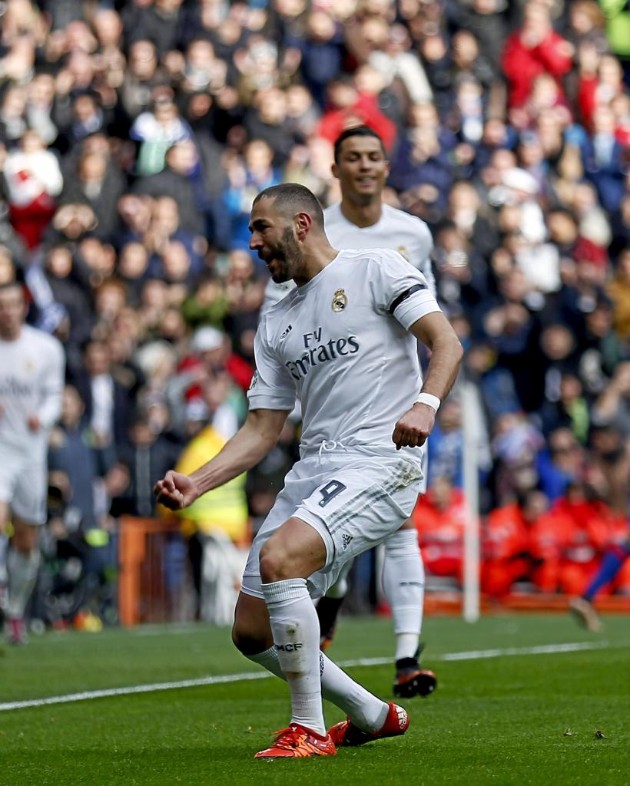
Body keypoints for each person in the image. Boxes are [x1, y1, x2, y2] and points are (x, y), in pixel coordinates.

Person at [155, 183, 463, 758]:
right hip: (314, 469)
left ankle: (309, 728)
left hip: (380, 461)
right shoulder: (277, 319)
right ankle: (371, 713)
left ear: (301, 224)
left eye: (261, 229)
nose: (252, 243)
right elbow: (261, 429)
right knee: (251, 632)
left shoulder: (376, 269)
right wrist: (199, 482)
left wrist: (426, 404)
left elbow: (446, 343)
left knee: (280, 560)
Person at [263, 125, 439, 699]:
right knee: (327, 531)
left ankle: (407, 655)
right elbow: (284, 313)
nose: (364, 166)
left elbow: (431, 320)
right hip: (324, 407)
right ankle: (331, 606)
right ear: (335, 170)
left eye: (373, 157)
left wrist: (427, 397)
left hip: (395, 407)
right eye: (353, 158)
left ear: (386, 167)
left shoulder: (411, 234)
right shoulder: (313, 230)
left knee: (399, 522)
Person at [0, 280, 65, 644]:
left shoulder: (45, 349)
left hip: (30, 454)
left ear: (23, 307)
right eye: (1, 305)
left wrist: (44, 416)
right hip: (1, 451)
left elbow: (55, 395)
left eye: (13, 304)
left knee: (26, 540)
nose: (7, 312)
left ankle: (15, 610)